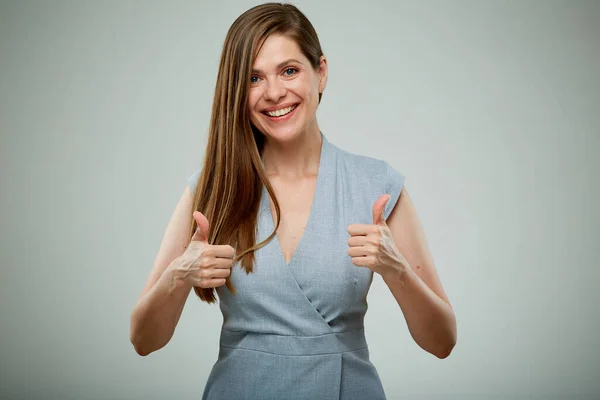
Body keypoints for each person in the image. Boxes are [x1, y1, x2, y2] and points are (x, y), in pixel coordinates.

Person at [130, 2, 457, 399]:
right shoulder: (211, 189)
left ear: (320, 72)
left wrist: (397, 269)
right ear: (236, 90)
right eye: (253, 78)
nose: (273, 93)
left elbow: (442, 342)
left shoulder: (376, 184)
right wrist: (179, 275)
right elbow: (144, 340)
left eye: (289, 70)